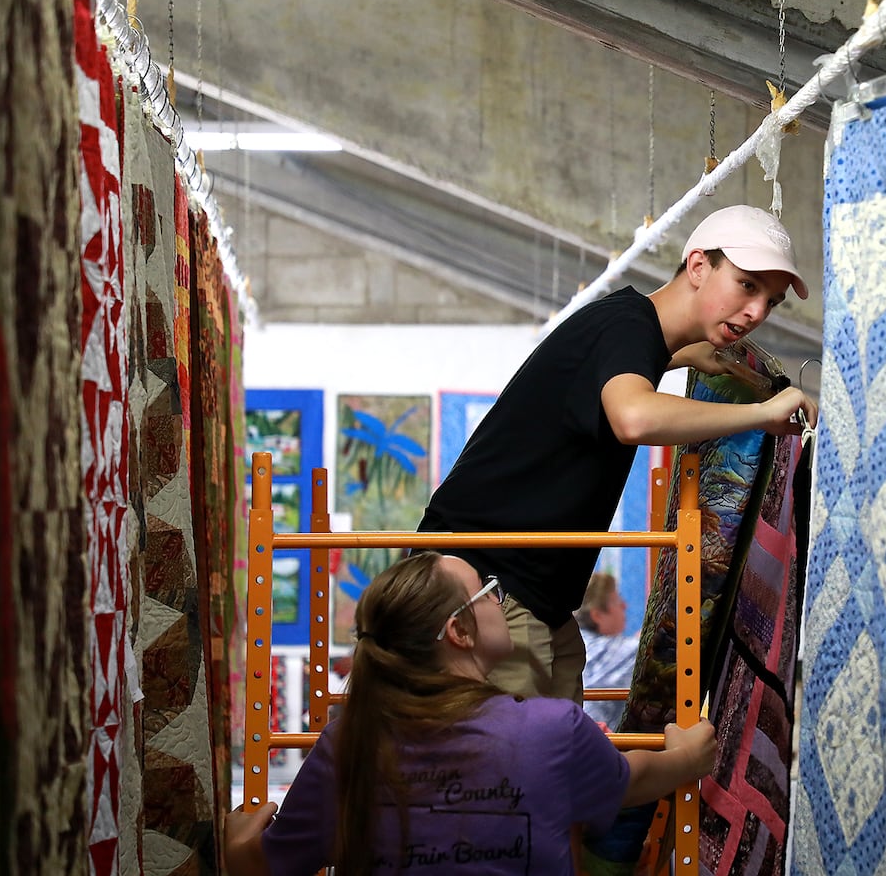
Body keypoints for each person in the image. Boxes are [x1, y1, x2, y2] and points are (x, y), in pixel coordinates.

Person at [418, 204, 819, 703]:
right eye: (746, 285)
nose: (757, 311)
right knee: (516, 772)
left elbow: (612, 377)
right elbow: (633, 418)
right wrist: (762, 415)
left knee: (560, 765)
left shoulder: (631, 333)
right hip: (488, 586)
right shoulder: (627, 327)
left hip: (535, 595)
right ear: (698, 266)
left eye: (772, 301)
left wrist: (679, 354)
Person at [222, 550, 716, 876]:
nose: (500, 600)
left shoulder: (346, 744)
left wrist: (239, 835)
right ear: (459, 631)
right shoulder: (551, 730)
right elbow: (632, 778)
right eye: (487, 591)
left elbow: (260, 866)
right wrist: (690, 756)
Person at [576, 572, 639, 731]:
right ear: (597, 615)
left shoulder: (575, 643)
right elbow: (647, 646)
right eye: (617, 601)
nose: (624, 606)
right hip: (599, 746)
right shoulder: (603, 653)